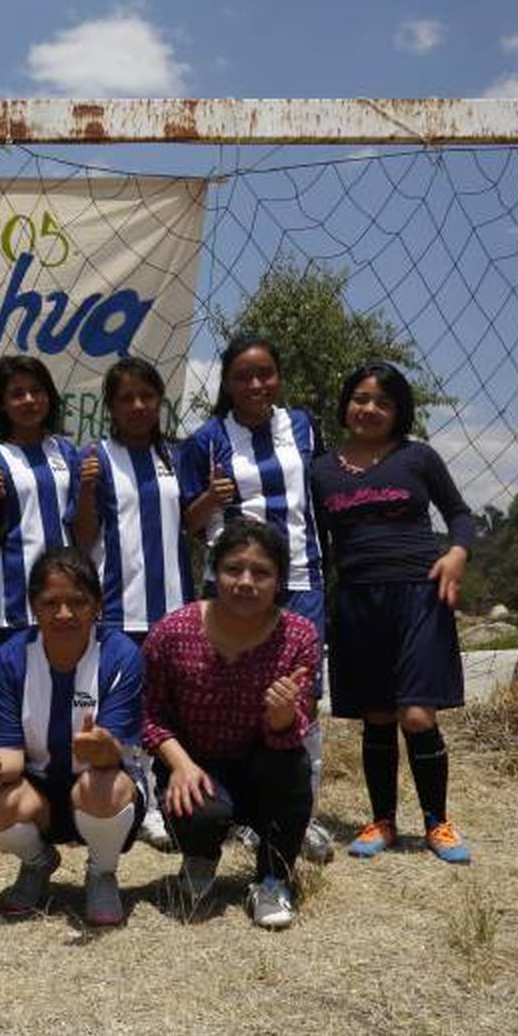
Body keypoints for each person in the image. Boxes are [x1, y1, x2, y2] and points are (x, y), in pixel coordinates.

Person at [311, 362, 475, 864]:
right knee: (377, 716)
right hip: (358, 600)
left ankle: (436, 823)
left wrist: (457, 553)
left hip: (418, 596)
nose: (370, 409)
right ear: (346, 404)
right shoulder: (321, 469)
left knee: (417, 714)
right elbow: (314, 540)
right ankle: (382, 820)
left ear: (399, 410)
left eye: (383, 401)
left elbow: (461, 514)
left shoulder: (417, 458)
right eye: (361, 398)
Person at [178, 336, 332, 861]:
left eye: (265, 373)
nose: (255, 385)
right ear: (226, 383)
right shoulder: (206, 440)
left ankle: (299, 815)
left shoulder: (305, 427)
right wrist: (209, 499)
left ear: (279, 377)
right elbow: (188, 523)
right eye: (243, 376)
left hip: (299, 579)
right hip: (230, 588)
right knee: (230, 701)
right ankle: (239, 812)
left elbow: (322, 494)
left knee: (300, 701)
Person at [141, 519, 320, 930]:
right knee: (201, 812)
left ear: (278, 581)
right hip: (195, 761)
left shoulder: (299, 637)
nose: (245, 582)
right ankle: (200, 857)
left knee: (292, 768)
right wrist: (181, 766)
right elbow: (147, 713)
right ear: (213, 571)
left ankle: (273, 878)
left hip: (262, 763)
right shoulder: (174, 631)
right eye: (233, 569)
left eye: (261, 573)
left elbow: (298, 727)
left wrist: (282, 718)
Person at [0, 548, 147, 926]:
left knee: (103, 787)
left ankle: (102, 873)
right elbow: (12, 757)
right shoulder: (9, 659)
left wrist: (103, 749)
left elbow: (117, 754)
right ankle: (38, 863)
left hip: (101, 788)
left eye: (78, 602)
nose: (65, 614)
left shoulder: (122, 656)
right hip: (41, 792)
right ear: (34, 606)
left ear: (98, 605)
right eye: (51, 602)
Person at [72, 356, 195, 851]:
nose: (139, 405)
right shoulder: (96, 456)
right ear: (111, 406)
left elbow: (191, 524)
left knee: (173, 708)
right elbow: (83, 537)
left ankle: (175, 797)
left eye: (148, 395)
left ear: (161, 401)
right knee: (128, 707)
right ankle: (140, 803)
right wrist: (84, 488)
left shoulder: (179, 456)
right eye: (127, 397)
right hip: (120, 604)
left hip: (176, 605)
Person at [0, 355, 83, 677]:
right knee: (8, 705)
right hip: (11, 606)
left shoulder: (67, 452)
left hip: (65, 600)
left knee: (65, 695)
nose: (29, 400)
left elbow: (80, 524)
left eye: (37, 391)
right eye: (17, 394)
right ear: (2, 405)